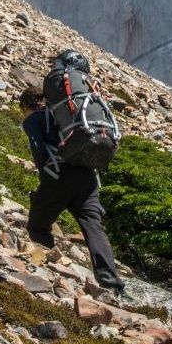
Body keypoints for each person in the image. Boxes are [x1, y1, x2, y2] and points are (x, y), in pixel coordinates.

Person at [19, 84, 124, 294]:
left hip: (59, 175)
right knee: (93, 227)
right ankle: (111, 282)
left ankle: (46, 268)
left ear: (26, 106)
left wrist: (46, 176)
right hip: (88, 176)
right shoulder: (69, 114)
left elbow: (38, 149)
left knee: (38, 225)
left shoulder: (34, 119)